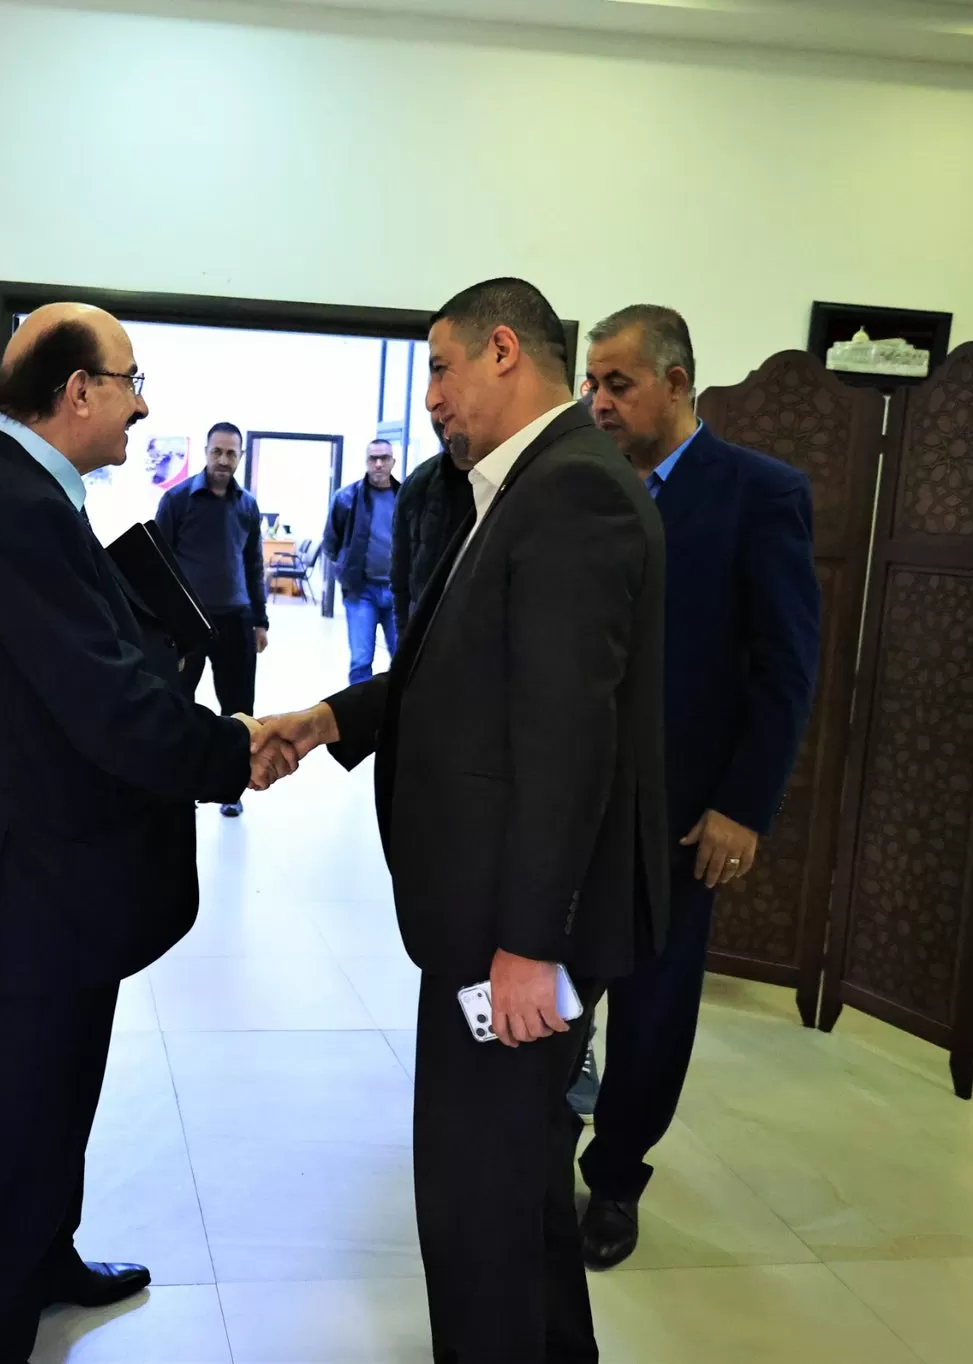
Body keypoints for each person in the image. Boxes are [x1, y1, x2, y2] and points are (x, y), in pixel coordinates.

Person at [253, 278, 668, 1364]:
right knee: (516, 1183)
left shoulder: (570, 493)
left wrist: (529, 944)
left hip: (516, 939)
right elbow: (457, 674)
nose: (429, 396)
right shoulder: (521, 483)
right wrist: (328, 718)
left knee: (472, 1197)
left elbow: (565, 741)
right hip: (493, 923)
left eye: (439, 368)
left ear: (501, 351)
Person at [0, 303, 272, 1364]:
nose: (141, 404)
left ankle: (47, 1260)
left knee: (55, 1116)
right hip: (22, 891)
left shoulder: (18, 493)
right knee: (20, 1147)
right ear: (77, 392)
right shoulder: (8, 505)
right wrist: (233, 748)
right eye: (130, 380)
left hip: (54, 881)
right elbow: (103, 699)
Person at [572, 305, 819, 1271]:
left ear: (677, 384)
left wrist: (744, 808)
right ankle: (538, 1142)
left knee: (653, 1008)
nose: (599, 402)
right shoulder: (582, 485)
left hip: (679, 818)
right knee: (554, 987)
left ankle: (617, 1178)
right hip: (574, 803)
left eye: (618, 384)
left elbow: (785, 667)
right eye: (592, 383)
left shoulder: (759, 493)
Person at [154, 419, 269, 817]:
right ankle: (177, 783)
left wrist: (260, 620)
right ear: (205, 452)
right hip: (187, 622)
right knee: (178, 703)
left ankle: (231, 787)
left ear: (240, 456)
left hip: (236, 620)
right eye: (217, 451)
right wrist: (162, 623)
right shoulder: (177, 500)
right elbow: (159, 563)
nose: (223, 459)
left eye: (231, 453)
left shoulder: (247, 505)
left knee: (238, 708)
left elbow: (254, 565)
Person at [322, 437, 400, 683]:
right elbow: (331, 542)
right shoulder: (346, 498)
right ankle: (361, 707)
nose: (378, 464)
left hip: (398, 592)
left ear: (393, 462)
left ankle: (400, 706)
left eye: (384, 458)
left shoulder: (405, 497)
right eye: (373, 458)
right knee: (361, 660)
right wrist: (345, 571)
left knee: (404, 658)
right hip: (361, 590)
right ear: (366, 462)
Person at [390, 415, 476, 637]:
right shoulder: (418, 484)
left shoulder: (519, 480)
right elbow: (400, 575)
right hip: (426, 634)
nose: (434, 403)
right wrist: (406, 639)